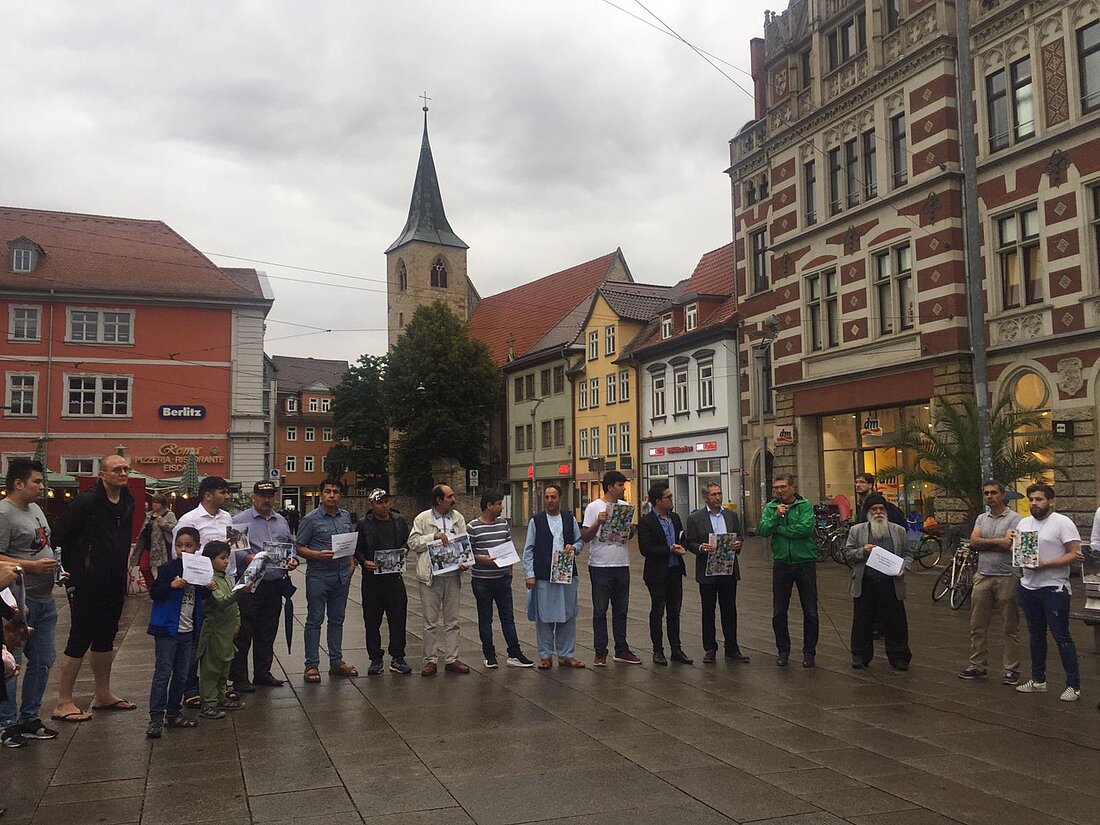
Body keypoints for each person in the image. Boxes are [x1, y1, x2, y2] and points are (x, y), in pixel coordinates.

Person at [50, 454, 137, 722]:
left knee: (106, 636)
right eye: (116, 470)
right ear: (102, 475)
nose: (123, 474)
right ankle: (63, 701)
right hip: (85, 579)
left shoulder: (127, 501)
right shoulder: (86, 502)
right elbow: (60, 537)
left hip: (113, 579)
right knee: (79, 636)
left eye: (125, 469)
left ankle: (103, 694)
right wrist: (68, 571)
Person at [0, 458, 60, 747]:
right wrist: (31, 566)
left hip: (45, 597)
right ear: (18, 483)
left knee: (44, 660)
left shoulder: (35, 509)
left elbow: (42, 544)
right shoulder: (4, 513)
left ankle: (29, 718)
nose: (41, 486)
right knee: (11, 663)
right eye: (36, 481)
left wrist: (55, 569)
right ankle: (6, 723)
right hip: (16, 601)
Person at [1014, 484, 1083, 702]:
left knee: (1061, 636)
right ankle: (1038, 680)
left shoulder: (1062, 523)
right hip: (1028, 586)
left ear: (1050, 501)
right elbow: (1022, 552)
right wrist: (1015, 548)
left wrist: (1047, 564)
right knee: (1035, 635)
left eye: (1039, 499)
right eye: (1031, 499)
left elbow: (1075, 553)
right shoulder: (1024, 523)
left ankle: (1073, 684)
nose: (1034, 503)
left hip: (1054, 587)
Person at [230, 481, 299, 692]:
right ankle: (240, 677)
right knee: (244, 632)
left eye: (270, 495)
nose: (266, 499)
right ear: (254, 497)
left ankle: (263, 672)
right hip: (250, 582)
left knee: (267, 630)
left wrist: (293, 559)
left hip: (274, 582)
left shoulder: (281, 520)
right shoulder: (240, 520)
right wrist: (249, 556)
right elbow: (234, 548)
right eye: (262, 495)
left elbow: (290, 546)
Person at [958, 481, 1022, 685]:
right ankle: (977, 664)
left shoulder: (1016, 519)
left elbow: (1010, 545)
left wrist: (986, 543)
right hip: (983, 575)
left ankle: (1011, 668)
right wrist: (996, 542)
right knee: (977, 623)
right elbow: (974, 542)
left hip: (1007, 576)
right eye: (986, 493)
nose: (989, 496)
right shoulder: (980, 518)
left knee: (1009, 625)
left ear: (1003, 495)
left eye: (994, 493)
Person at [145, 527, 204, 738]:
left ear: (197, 547)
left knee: (182, 674)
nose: (183, 549)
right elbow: (155, 592)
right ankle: (155, 718)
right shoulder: (169, 568)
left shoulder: (199, 567)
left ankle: (173, 712)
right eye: (179, 545)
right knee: (163, 673)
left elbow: (203, 594)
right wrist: (171, 585)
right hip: (167, 629)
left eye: (188, 545)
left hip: (188, 629)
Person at [297, 478, 358, 683]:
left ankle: (336, 661)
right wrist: (315, 555)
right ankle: (311, 664)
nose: (332, 495)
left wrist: (351, 562)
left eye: (336, 492)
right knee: (315, 619)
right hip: (319, 575)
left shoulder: (345, 516)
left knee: (337, 620)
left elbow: (348, 541)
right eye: (328, 492)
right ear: (321, 495)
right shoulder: (311, 519)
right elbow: (299, 547)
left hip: (341, 575)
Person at [843, 494, 913, 670]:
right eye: (874, 509)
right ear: (868, 512)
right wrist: (862, 552)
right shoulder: (857, 531)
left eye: (881, 509)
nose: (878, 512)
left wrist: (904, 567)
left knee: (896, 621)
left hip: (891, 583)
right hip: (866, 581)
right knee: (862, 621)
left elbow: (908, 554)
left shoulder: (898, 531)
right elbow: (848, 553)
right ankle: (860, 656)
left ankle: (899, 656)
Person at [467, 489, 533, 669]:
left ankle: (514, 653)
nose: (501, 507)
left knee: (508, 617)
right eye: (498, 504)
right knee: (485, 618)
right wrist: (483, 559)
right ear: (489, 506)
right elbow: (467, 553)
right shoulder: (473, 527)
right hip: (482, 580)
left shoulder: (503, 524)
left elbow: (508, 545)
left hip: (502, 578)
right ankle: (489, 655)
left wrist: (510, 567)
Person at [409, 484, 470, 676]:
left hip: (452, 576)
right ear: (439, 500)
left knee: (452, 620)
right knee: (430, 622)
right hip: (431, 577)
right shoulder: (423, 518)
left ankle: (452, 658)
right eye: (450, 496)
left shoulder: (458, 517)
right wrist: (432, 537)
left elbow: (464, 541)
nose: (454, 499)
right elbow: (412, 543)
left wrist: (465, 561)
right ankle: (430, 660)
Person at [684, 483, 748, 664]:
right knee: (708, 610)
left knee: (729, 610)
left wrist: (738, 545)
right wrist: (700, 548)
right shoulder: (695, 518)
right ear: (706, 497)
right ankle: (710, 648)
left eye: (719, 493)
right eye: (713, 495)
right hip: (708, 570)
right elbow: (690, 542)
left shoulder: (731, 515)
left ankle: (732, 648)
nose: (718, 497)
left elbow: (739, 536)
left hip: (728, 569)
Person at [581, 470, 641, 666]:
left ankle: (621, 648)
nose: (623, 489)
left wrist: (630, 531)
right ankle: (600, 651)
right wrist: (598, 522)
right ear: (609, 487)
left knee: (621, 610)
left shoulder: (624, 507)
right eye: (620, 485)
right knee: (600, 610)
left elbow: (627, 536)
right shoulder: (594, 507)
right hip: (600, 565)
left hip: (621, 563)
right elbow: (586, 536)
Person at [524, 483, 586, 670]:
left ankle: (566, 654)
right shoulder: (537, 521)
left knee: (567, 615)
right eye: (547, 497)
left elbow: (579, 540)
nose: (549, 500)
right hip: (544, 574)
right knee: (545, 616)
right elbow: (529, 549)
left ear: (560, 499)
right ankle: (545, 655)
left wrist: (574, 548)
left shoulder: (569, 519)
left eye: (553, 497)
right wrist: (530, 574)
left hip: (566, 573)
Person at [758, 474, 817, 668]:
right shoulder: (771, 508)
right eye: (776, 488)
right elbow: (764, 530)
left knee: (810, 610)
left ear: (792, 487)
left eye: (783, 487)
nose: (779, 491)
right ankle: (783, 650)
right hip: (782, 562)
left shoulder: (804, 505)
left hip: (804, 561)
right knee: (779, 610)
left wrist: (781, 530)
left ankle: (809, 652)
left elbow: (805, 529)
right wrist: (776, 518)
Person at [354, 489, 412, 675]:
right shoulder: (364, 524)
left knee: (398, 619)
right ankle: (375, 658)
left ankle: (397, 657)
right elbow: (357, 549)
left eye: (386, 501)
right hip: (372, 580)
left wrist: (404, 550)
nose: (384, 505)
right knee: (372, 621)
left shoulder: (399, 521)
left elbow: (406, 542)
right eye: (379, 502)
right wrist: (364, 562)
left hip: (394, 578)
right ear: (372, 505)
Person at [637, 484, 691, 666]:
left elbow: (682, 537)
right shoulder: (647, 521)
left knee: (674, 612)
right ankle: (658, 650)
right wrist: (669, 549)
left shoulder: (675, 518)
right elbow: (645, 549)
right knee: (658, 611)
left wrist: (681, 545)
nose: (671, 500)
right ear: (658, 501)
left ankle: (676, 649)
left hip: (675, 571)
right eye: (668, 497)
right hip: (657, 574)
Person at [197, 541, 247, 719]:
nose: (226, 561)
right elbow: (223, 601)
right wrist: (241, 591)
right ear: (210, 561)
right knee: (212, 668)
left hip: (226, 631)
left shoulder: (224, 577)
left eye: (227, 557)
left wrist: (237, 621)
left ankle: (220, 696)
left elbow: (234, 606)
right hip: (214, 631)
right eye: (222, 558)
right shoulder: (210, 581)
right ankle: (208, 703)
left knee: (224, 666)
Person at [128, 495, 177, 592]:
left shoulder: (169, 514)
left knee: (161, 571)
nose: (154, 504)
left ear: (162, 504)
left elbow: (174, 528)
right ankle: (152, 588)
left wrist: (162, 523)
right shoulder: (149, 515)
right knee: (144, 567)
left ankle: (161, 590)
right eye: (153, 502)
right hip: (147, 546)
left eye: (157, 503)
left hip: (161, 548)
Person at [173, 477, 233, 554]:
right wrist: (213, 551)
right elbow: (176, 553)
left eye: (227, 493)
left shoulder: (227, 517)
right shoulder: (188, 520)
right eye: (222, 493)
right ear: (208, 496)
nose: (227, 497)